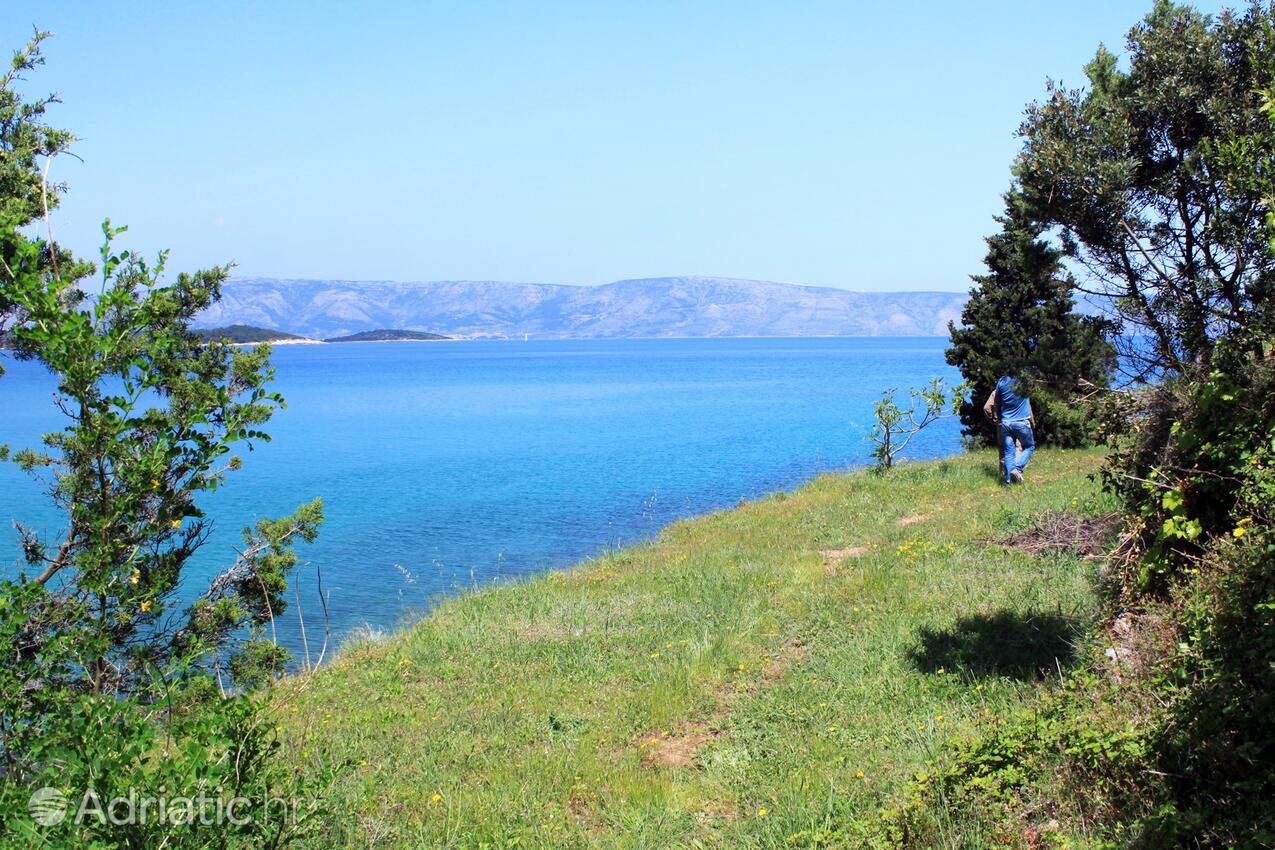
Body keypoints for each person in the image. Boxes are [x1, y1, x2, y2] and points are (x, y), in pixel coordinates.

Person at [983, 375, 1035, 484]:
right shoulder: (1025, 381)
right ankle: (1017, 469)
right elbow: (1029, 405)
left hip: (1005, 423)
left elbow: (995, 404)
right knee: (1029, 446)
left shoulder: (1001, 382)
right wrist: (1033, 422)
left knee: (1008, 452)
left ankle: (1008, 481)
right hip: (1021, 422)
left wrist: (997, 420)